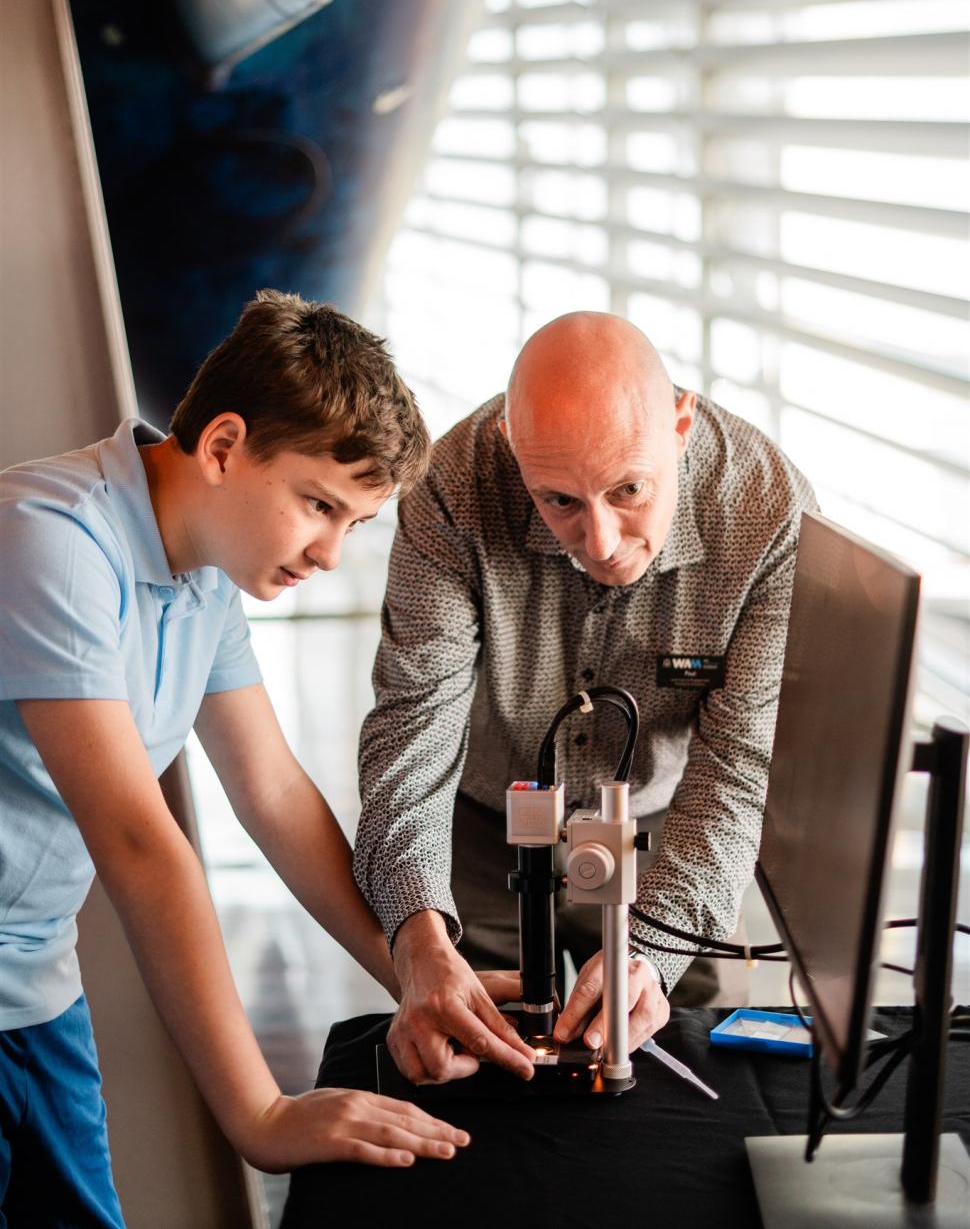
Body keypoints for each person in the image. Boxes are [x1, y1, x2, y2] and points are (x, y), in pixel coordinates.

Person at [0, 290, 473, 1228]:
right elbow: (140, 842)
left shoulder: (204, 578)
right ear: (222, 448)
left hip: (31, 986)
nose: (331, 552)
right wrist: (259, 1114)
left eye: (354, 524)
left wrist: (413, 975)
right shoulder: (47, 541)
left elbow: (273, 792)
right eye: (318, 504)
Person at [354, 310, 817, 1085]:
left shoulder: (771, 514)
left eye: (629, 490)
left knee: (691, 1063)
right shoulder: (452, 486)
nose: (599, 541)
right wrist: (418, 938)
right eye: (559, 500)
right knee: (480, 1068)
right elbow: (412, 722)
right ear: (510, 444)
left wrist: (657, 946)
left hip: (670, 828)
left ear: (680, 423)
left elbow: (739, 768)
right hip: (481, 822)